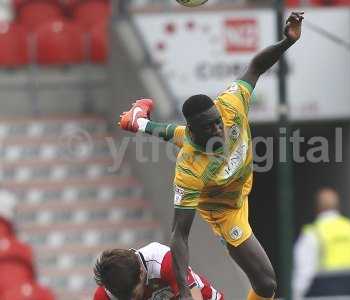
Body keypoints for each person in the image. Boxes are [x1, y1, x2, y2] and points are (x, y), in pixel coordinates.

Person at [119, 12, 304, 300]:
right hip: (224, 210)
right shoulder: (189, 167)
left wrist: (286, 42)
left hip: (236, 184)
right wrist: (182, 289)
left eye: (217, 121)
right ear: (195, 129)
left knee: (179, 135)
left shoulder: (230, 105)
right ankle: (140, 123)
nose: (218, 129)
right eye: (209, 127)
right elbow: (179, 234)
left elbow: (255, 66)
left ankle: (138, 121)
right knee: (266, 283)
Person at [292, 187, 350, 300]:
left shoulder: (312, 233)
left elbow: (302, 275)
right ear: (338, 206)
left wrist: (296, 296)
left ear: (317, 208)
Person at [93, 242, 223, 300]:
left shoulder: (163, 261)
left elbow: (194, 296)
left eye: (133, 295)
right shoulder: (106, 294)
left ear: (141, 273)